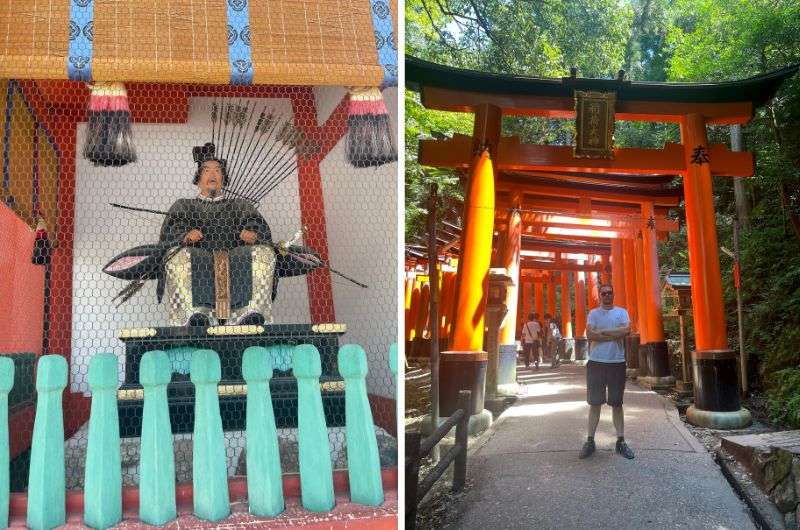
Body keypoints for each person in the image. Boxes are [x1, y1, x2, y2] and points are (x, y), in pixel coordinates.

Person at [158, 143, 276, 327]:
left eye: (218, 171)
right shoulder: (184, 206)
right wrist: (185, 237)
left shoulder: (240, 206)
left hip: (238, 257)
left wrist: (252, 235)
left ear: (224, 179)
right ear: (198, 179)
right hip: (198, 258)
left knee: (262, 253)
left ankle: (248, 312)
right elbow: (169, 235)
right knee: (180, 255)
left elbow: (260, 231)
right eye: (206, 171)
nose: (212, 175)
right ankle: (194, 313)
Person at [579, 284, 634, 460]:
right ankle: (590, 441)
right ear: (600, 296)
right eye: (604, 293)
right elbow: (590, 335)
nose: (607, 295)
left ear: (613, 294)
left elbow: (626, 330)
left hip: (616, 362)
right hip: (596, 362)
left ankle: (621, 441)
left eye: (610, 292)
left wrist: (602, 332)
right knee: (594, 403)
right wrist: (614, 334)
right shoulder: (593, 314)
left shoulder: (622, 312)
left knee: (617, 403)